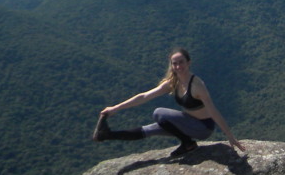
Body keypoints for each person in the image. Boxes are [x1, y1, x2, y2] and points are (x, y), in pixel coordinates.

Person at [92, 48, 245, 156]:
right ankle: (107, 135)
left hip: (202, 128)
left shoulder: (198, 85)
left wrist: (230, 136)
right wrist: (116, 108)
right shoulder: (173, 82)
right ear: (171, 65)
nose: (178, 67)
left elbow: (213, 111)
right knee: (150, 129)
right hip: (187, 123)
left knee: (158, 113)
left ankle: (187, 143)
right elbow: (144, 96)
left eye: (181, 62)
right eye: (175, 63)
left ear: (189, 62)